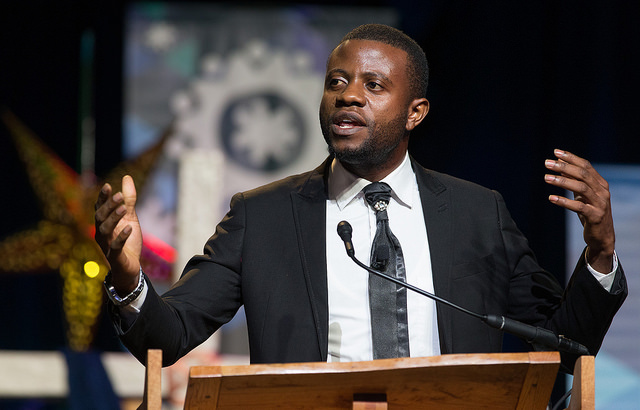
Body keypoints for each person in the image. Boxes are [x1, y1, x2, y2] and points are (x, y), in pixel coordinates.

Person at [94, 24, 626, 370]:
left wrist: (600, 253)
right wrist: (125, 276)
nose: (349, 94)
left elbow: (564, 345)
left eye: (374, 85)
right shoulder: (263, 216)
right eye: (337, 81)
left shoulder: (477, 215)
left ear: (415, 112)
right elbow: (165, 337)